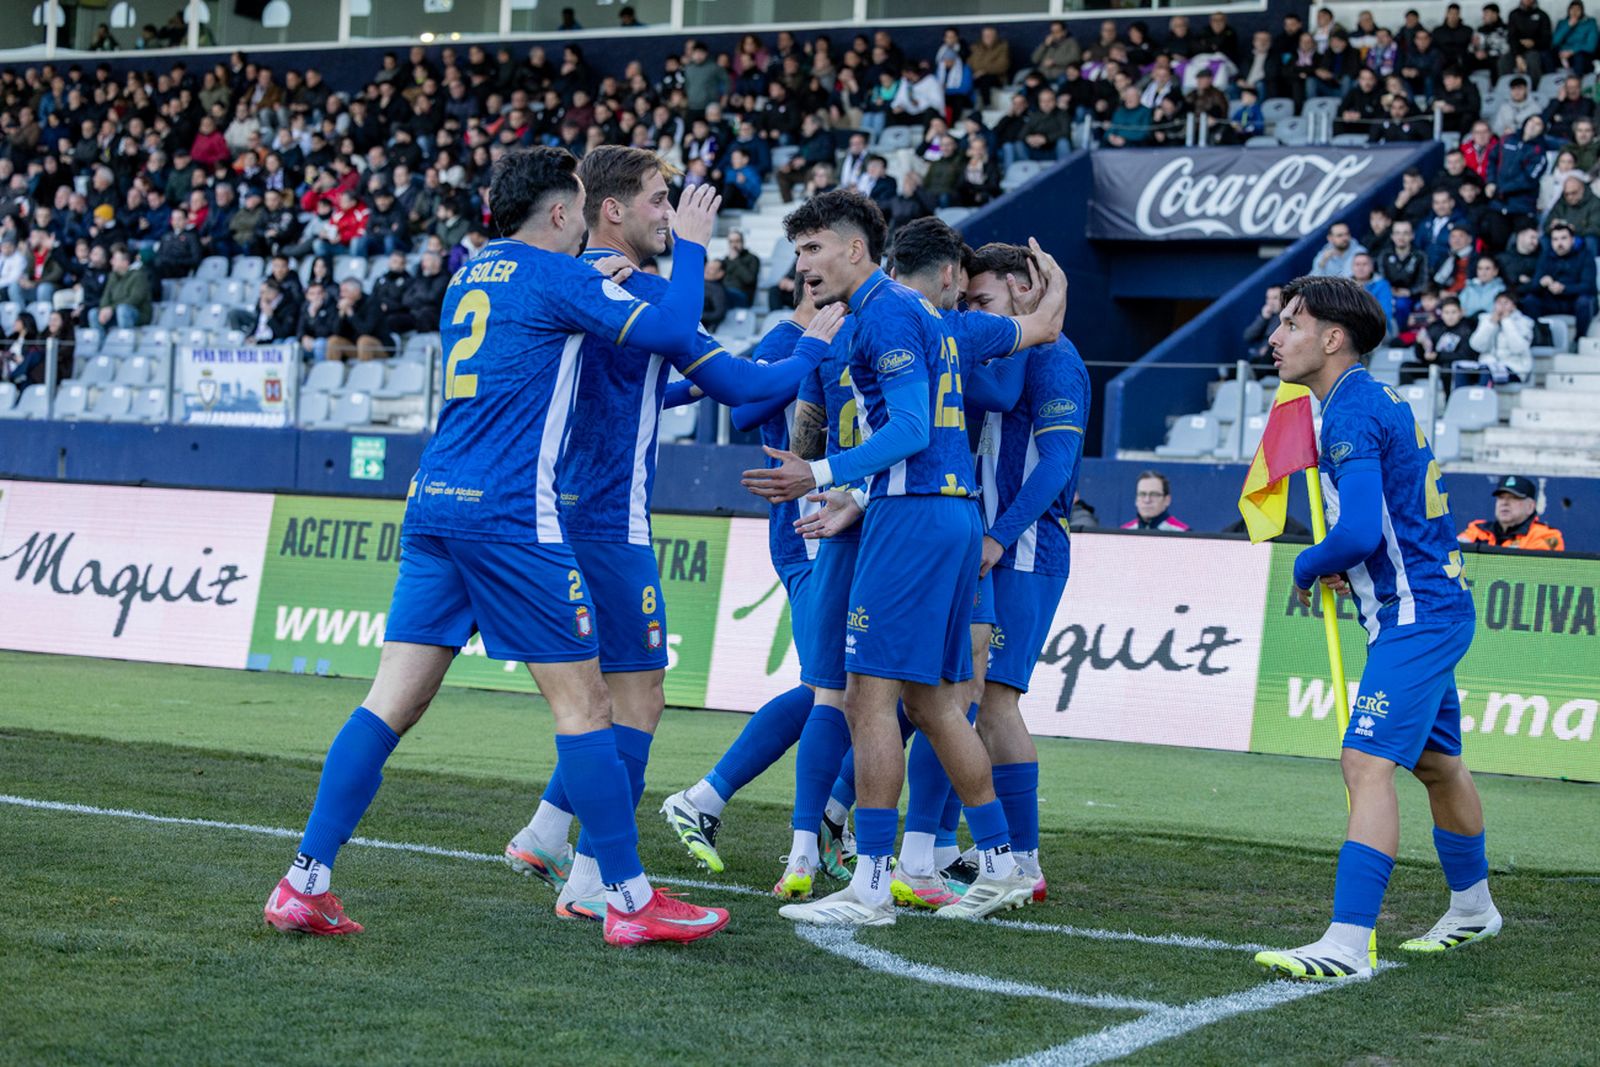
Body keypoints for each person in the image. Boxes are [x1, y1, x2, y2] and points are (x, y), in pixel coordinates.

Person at [264, 146, 731, 948]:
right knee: (587, 705)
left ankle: (304, 879)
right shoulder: (561, 274)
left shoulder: (470, 275)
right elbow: (675, 329)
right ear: (559, 214)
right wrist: (687, 243)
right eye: (581, 209)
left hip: (435, 504)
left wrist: (601, 284)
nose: (588, 224)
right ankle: (626, 897)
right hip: (513, 514)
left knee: (391, 701)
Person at [503, 146, 840, 919]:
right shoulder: (642, 290)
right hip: (607, 520)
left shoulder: (575, 284)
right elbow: (744, 387)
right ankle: (595, 876)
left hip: (553, 510)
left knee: (599, 696)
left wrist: (788, 336)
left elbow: (675, 384)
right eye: (660, 199)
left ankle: (548, 833)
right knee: (639, 696)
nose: (671, 211)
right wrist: (816, 343)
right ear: (612, 210)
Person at [744, 191, 1068, 926]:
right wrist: (1051, 285)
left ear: (858, 249)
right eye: (798, 253)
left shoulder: (887, 313)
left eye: (815, 249)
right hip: (950, 515)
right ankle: (1003, 860)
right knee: (931, 701)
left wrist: (820, 474)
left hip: (914, 517)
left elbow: (915, 427)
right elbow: (1042, 325)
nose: (804, 266)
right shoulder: (933, 316)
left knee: (866, 696)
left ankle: (871, 882)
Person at [1255, 274, 1498, 983]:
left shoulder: (1350, 411)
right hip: (1427, 605)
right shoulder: (1368, 398)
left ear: (1333, 339)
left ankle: (1347, 940)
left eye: (1291, 325)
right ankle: (1475, 907)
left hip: (1416, 616)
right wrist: (1346, 566)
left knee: (1364, 762)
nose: (1275, 339)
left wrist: (1308, 561)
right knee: (1436, 763)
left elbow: (1359, 528)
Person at [1518, 221, 1596, 335]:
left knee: (1585, 302)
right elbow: (1534, 286)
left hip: (1574, 301)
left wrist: (1564, 288)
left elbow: (1589, 286)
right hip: (1552, 301)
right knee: (1530, 301)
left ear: (1572, 239)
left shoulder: (1585, 256)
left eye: (1563, 238)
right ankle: (1537, 337)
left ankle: (1579, 340)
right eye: (1555, 239)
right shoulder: (1546, 256)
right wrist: (1541, 283)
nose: (1559, 243)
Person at [1459, 475, 1566, 549]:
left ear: (1530, 506)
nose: (1505, 503)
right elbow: (1451, 556)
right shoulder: (1477, 530)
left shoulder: (1546, 535)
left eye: (1514, 498)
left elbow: (1532, 573)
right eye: (1501, 497)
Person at [1463, 290, 1535, 385]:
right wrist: (1491, 324)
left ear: (1513, 306)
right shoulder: (1486, 320)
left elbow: (1518, 348)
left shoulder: (1524, 322)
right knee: (1461, 370)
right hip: (1487, 364)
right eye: (1499, 303)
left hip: (1514, 368)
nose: (1502, 307)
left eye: (1506, 303)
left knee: (1488, 372)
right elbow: (1476, 346)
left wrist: (1507, 322)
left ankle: (1483, 399)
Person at [95, 245, 152, 329]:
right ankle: (101, 341)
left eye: (114, 259)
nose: (111, 262)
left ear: (125, 262)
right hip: (115, 312)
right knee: (93, 313)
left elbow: (135, 299)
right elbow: (105, 297)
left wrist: (111, 309)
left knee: (123, 310)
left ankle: (125, 340)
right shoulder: (112, 277)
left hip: (138, 313)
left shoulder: (138, 276)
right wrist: (104, 309)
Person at [1121, 470, 1190, 531]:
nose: (1147, 500)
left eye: (1154, 494)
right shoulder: (1123, 532)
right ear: (1136, 500)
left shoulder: (1182, 533)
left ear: (1167, 500)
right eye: (1142, 494)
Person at [1246, 285, 1284, 363]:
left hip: (1274, 360)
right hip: (1258, 359)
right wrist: (1263, 318)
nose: (1270, 302)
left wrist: (1267, 348)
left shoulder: (1287, 317)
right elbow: (1248, 336)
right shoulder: (1265, 316)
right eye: (1268, 298)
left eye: (1275, 298)